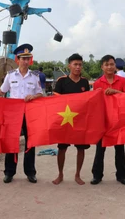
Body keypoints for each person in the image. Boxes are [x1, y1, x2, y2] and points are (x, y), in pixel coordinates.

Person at [0, 44, 43, 184]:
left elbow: (40, 93)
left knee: (30, 143)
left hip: (30, 113)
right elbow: (3, 91)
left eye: (28, 58)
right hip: (13, 113)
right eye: (23, 58)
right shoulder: (10, 75)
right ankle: (9, 172)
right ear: (17, 59)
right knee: (11, 141)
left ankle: (30, 172)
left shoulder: (34, 76)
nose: (25, 61)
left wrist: (34, 97)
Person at [91, 55, 125, 185]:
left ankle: (121, 175)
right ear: (102, 67)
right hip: (103, 120)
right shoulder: (98, 83)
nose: (109, 67)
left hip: (118, 120)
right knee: (100, 149)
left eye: (112, 64)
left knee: (119, 149)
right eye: (107, 64)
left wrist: (116, 92)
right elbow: (94, 102)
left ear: (115, 66)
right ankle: (97, 175)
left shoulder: (121, 81)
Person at [52, 53, 90, 186]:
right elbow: (55, 101)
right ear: (69, 66)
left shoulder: (85, 82)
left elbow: (88, 101)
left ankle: (77, 175)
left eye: (80, 64)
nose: (78, 67)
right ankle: (60, 174)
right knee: (62, 149)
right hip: (64, 121)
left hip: (80, 121)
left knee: (81, 149)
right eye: (75, 64)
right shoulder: (62, 81)